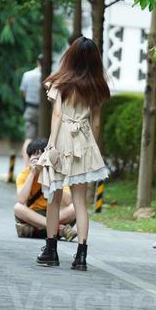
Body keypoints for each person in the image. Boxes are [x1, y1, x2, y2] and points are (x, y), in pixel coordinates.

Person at [35, 36, 110, 271]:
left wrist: (51, 145)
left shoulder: (61, 83)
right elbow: (96, 123)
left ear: (71, 56)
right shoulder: (97, 87)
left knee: (54, 198)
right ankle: (81, 257)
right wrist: (92, 148)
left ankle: (51, 251)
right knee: (80, 202)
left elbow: (57, 115)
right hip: (84, 141)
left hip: (62, 139)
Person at [14, 138, 77, 241]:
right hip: (33, 214)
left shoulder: (57, 173)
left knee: (75, 208)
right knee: (18, 207)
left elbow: (68, 200)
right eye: (35, 155)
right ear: (30, 158)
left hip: (55, 213)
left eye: (42, 155)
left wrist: (49, 176)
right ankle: (60, 229)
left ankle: (32, 230)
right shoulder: (24, 174)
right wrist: (33, 174)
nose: (39, 158)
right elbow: (21, 200)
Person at [20, 55, 43, 162]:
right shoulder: (51, 76)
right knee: (43, 140)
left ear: (37, 62)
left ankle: (26, 166)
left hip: (30, 108)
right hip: (45, 112)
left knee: (28, 139)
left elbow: (24, 93)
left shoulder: (27, 75)